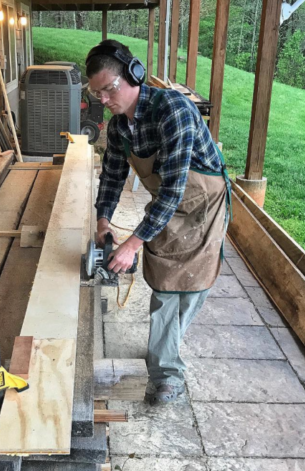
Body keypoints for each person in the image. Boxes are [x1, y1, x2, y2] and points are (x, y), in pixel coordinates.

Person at [86, 40, 232, 405]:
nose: (103, 99)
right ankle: (166, 371)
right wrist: (103, 220)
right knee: (166, 284)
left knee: (193, 286)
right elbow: (113, 176)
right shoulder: (119, 127)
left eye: (108, 89)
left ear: (133, 76)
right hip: (168, 205)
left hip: (203, 205)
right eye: (96, 93)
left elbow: (173, 189)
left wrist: (132, 244)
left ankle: (165, 357)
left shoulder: (174, 110)